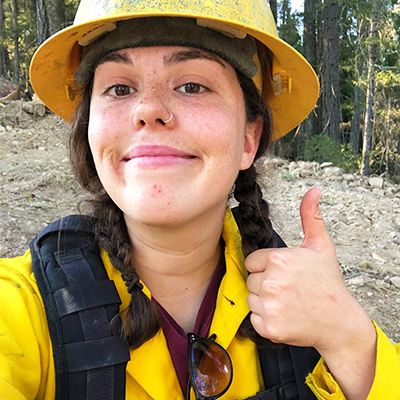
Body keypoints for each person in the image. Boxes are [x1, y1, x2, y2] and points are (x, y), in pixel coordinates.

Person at [1, 0, 399, 399]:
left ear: (249, 139)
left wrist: (351, 341)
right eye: (120, 88)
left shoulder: (315, 317)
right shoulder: (22, 307)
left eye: (192, 86)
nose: (148, 109)